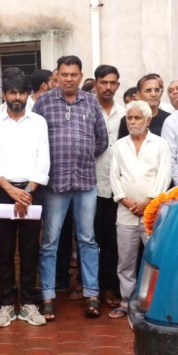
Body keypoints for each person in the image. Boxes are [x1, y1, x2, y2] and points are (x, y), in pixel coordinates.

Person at [32, 55, 109, 320]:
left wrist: (82, 155)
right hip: (55, 183)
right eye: (64, 74)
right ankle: (47, 296)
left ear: (80, 76)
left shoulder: (91, 102)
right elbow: (34, 140)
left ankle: (92, 294)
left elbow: (101, 140)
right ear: (57, 75)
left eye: (73, 75)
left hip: (85, 182)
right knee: (49, 241)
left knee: (87, 239)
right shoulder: (44, 102)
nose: (69, 79)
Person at [0, 68, 50, 327]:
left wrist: (26, 193)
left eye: (22, 93)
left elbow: (43, 162)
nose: (17, 97)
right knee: (4, 250)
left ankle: (30, 304)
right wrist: (12, 192)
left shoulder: (38, 122)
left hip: (32, 192)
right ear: (4, 94)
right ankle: (7, 304)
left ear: (28, 94)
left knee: (31, 250)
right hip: (3, 191)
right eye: (12, 92)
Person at [108, 100, 171, 318]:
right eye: (129, 118)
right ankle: (126, 301)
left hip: (152, 212)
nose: (132, 122)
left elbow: (164, 176)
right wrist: (125, 201)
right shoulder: (119, 146)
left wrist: (147, 203)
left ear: (148, 120)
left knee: (155, 257)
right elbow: (114, 177)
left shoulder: (160, 144)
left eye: (137, 118)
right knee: (125, 261)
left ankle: (155, 303)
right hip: (125, 212)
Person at [92, 65, 125, 308]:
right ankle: (91, 288)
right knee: (91, 240)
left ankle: (110, 287)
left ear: (118, 85)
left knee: (113, 242)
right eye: (104, 82)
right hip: (91, 186)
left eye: (112, 83)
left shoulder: (125, 114)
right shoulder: (87, 110)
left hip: (118, 189)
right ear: (96, 84)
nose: (108, 87)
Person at [118, 73, 172, 138]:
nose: (153, 94)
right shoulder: (129, 120)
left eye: (157, 90)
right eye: (148, 90)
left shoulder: (169, 119)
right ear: (139, 94)